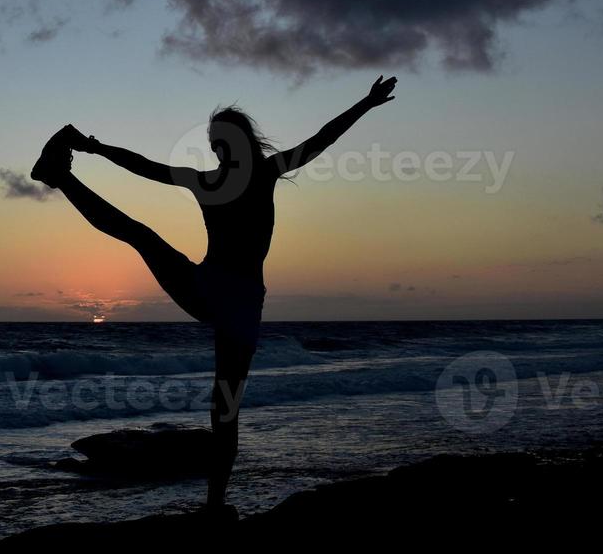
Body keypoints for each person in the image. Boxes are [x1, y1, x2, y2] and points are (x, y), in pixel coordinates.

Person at [30, 77, 399, 513]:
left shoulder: (262, 173)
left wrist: (367, 103)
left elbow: (321, 139)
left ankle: (214, 504)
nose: (220, 148)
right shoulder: (216, 180)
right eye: (215, 142)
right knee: (141, 235)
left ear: (241, 142)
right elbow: (144, 167)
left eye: (225, 140)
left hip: (237, 303)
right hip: (210, 289)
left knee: (225, 408)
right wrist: (94, 147)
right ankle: (60, 176)